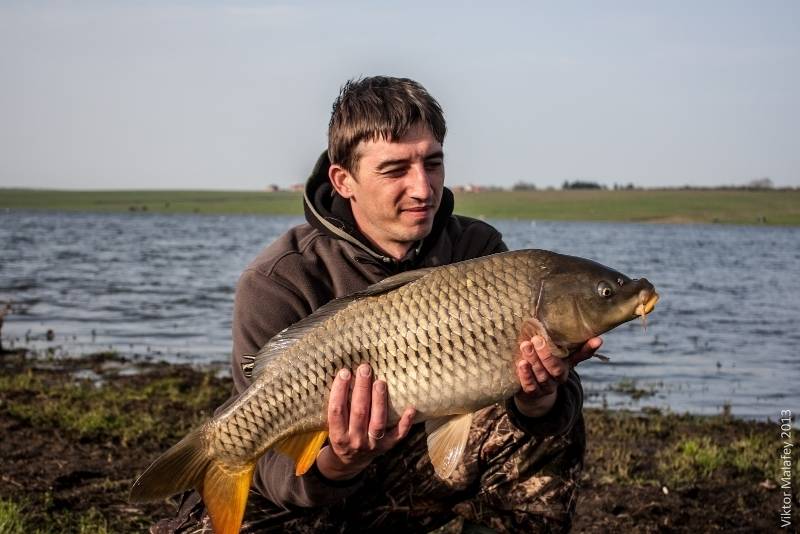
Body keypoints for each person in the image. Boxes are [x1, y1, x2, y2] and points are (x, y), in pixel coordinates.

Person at [153, 76, 601, 534]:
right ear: (343, 180)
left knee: (553, 419)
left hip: (410, 472)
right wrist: (339, 462)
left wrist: (539, 400)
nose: (423, 188)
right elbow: (272, 467)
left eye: (433, 163)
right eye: (395, 170)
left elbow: (521, 410)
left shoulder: (477, 248)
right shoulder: (278, 280)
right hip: (308, 492)